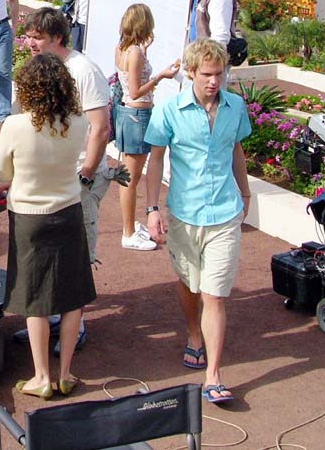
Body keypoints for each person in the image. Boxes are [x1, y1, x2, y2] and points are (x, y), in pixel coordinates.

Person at [144, 39, 251, 405]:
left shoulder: (235, 107)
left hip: (224, 212)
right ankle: (193, 334)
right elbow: (156, 159)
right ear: (190, 72)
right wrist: (152, 208)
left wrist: (246, 193)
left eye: (219, 74)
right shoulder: (169, 109)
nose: (214, 81)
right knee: (189, 285)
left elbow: (237, 150)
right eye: (207, 74)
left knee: (215, 294)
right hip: (184, 214)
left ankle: (214, 375)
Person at [0, 53, 96, 399]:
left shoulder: (15, 125)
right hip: (68, 212)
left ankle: (41, 377)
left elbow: (2, 173)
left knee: (35, 298)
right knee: (72, 296)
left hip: (27, 216)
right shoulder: (79, 123)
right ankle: (66, 373)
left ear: (28, 89)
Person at [17, 7, 110, 353]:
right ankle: (53, 319)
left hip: (79, 178)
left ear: (57, 38)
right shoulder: (44, 69)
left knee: (79, 251)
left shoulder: (83, 70)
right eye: (28, 36)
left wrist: (85, 174)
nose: (29, 43)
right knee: (52, 251)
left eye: (36, 37)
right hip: (53, 177)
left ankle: (78, 326)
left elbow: (101, 128)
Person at [114, 3, 179, 251]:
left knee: (128, 175)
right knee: (130, 178)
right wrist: (160, 76)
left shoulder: (122, 48)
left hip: (127, 114)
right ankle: (128, 232)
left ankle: (129, 226)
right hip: (137, 114)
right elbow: (135, 90)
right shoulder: (136, 53)